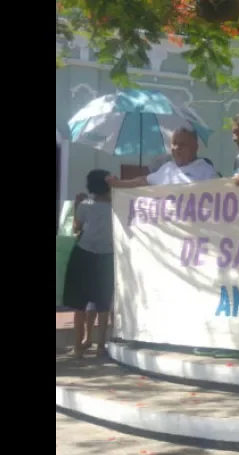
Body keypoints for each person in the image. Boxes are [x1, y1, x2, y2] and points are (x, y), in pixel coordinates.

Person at [63, 170, 114, 358]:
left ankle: (78, 346)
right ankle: (100, 345)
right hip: (107, 257)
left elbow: (76, 227)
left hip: (83, 255)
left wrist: (77, 206)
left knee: (79, 304)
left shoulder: (86, 204)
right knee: (103, 303)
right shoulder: (115, 207)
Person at [106, 127, 217, 188]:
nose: (177, 148)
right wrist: (120, 183)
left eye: (182, 144)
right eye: (174, 143)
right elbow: (144, 181)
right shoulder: (167, 168)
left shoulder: (206, 170)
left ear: (195, 147)